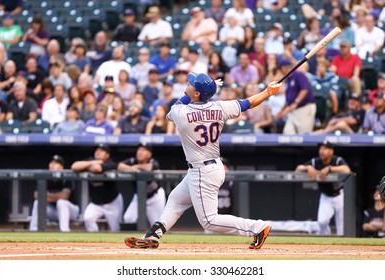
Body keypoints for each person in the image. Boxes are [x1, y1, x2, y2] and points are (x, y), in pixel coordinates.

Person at [124, 72, 281, 249]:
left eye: (191, 84)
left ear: (197, 93)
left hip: (202, 171)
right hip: (210, 167)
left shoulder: (180, 112)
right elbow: (249, 103)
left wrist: (208, 86)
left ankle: (257, 227)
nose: (187, 84)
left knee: (209, 221)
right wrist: (268, 92)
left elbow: (177, 104)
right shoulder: (221, 107)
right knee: (176, 199)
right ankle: (153, 236)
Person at [295, 141, 351, 235]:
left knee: (341, 228)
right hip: (326, 196)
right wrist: (308, 167)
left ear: (331, 151)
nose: (322, 151)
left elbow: (347, 170)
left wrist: (330, 169)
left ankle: (343, 248)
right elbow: (297, 169)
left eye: (325, 149)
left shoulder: (337, 160)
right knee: (322, 222)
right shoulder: (315, 161)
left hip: (339, 196)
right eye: (320, 148)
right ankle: (326, 244)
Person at [71, 144, 123, 232]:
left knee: (115, 229)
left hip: (112, 202)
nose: (98, 152)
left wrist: (87, 166)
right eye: (97, 150)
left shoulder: (110, 162)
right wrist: (92, 162)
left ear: (107, 155)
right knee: (88, 218)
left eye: (102, 151)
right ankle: (95, 240)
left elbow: (97, 169)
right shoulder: (91, 161)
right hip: (96, 203)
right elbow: (74, 166)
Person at [118, 144, 166, 227]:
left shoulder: (152, 161)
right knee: (129, 218)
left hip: (155, 197)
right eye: (139, 150)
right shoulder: (132, 161)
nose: (140, 152)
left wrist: (137, 167)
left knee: (158, 224)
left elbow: (152, 167)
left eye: (143, 150)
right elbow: (119, 166)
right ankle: (136, 237)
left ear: (149, 154)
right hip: (139, 196)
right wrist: (130, 168)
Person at [29, 155, 80, 232]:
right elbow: (36, 195)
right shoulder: (45, 178)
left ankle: (65, 231)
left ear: (61, 167)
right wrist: (56, 196)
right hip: (53, 211)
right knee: (38, 202)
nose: (52, 165)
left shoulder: (67, 177)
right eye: (51, 163)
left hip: (71, 211)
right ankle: (34, 230)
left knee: (61, 202)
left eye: (56, 163)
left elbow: (64, 196)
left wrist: (47, 196)